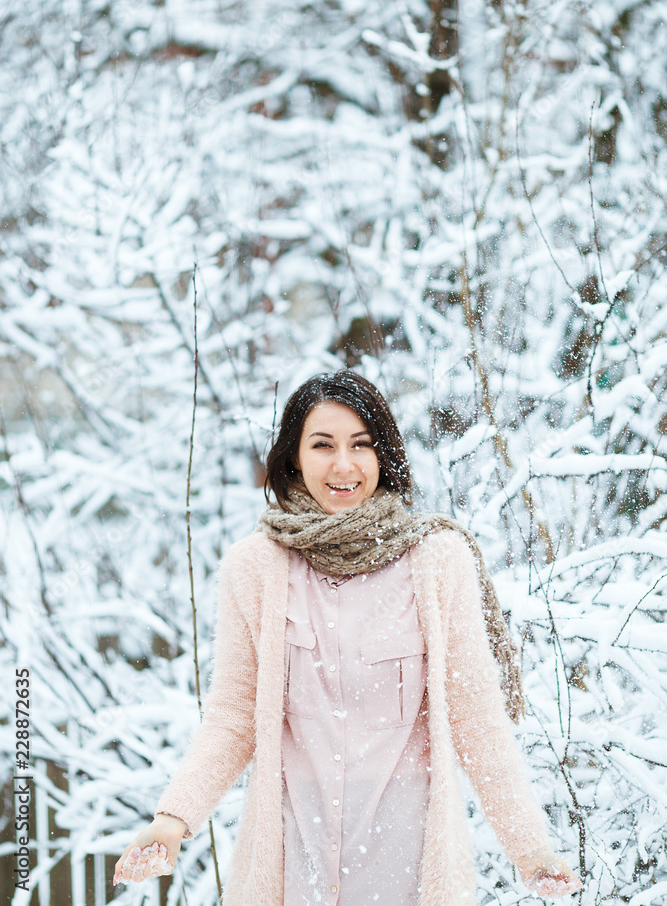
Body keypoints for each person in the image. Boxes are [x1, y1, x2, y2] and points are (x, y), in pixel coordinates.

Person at [114, 370, 583, 905]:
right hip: (294, 870)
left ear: (383, 454)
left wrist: (530, 848)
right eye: (323, 445)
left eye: (361, 444)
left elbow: (477, 720)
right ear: (294, 458)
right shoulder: (255, 568)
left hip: (406, 873)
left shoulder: (435, 561)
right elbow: (234, 716)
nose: (344, 465)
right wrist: (173, 818)